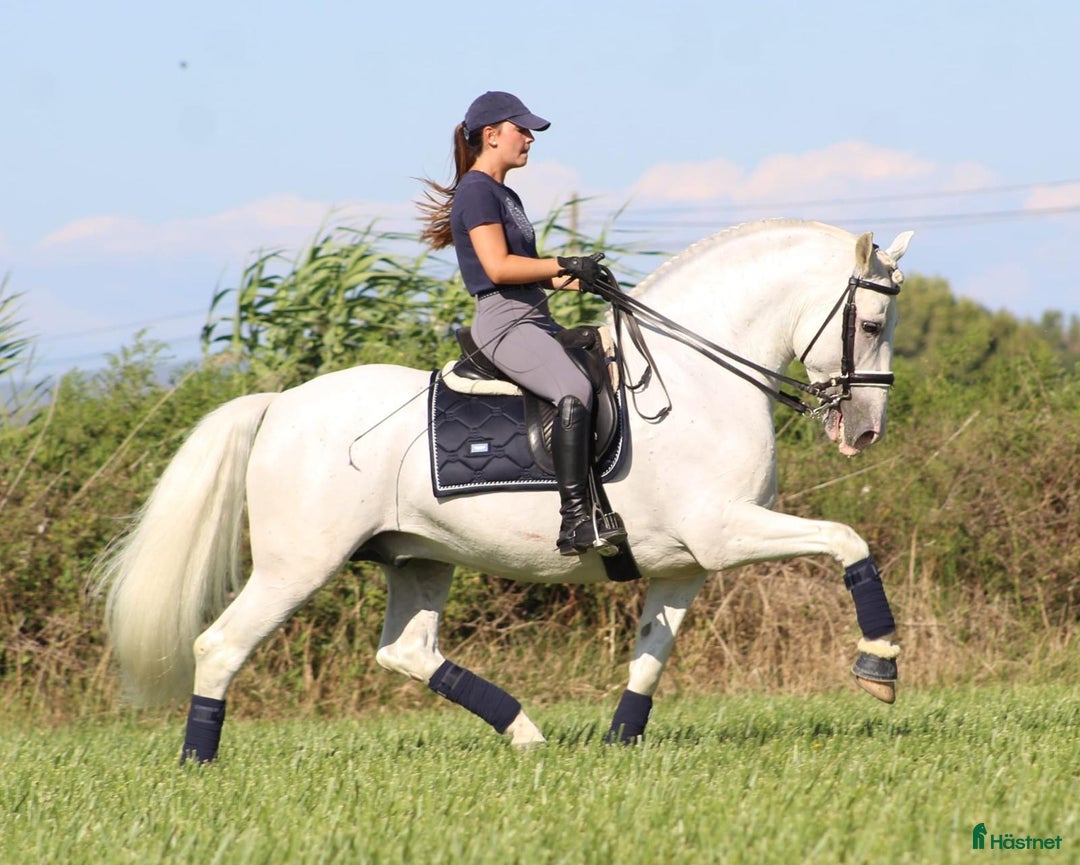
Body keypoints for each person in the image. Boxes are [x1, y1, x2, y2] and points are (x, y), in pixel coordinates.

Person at [418, 90, 625, 556]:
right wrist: (562, 262)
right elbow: (498, 268)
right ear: (491, 135)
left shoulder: (504, 194)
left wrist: (585, 280)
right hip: (505, 322)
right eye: (522, 129)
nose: (530, 138)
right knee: (573, 388)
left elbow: (529, 271)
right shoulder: (476, 191)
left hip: (534, 314)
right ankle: (576, 520)